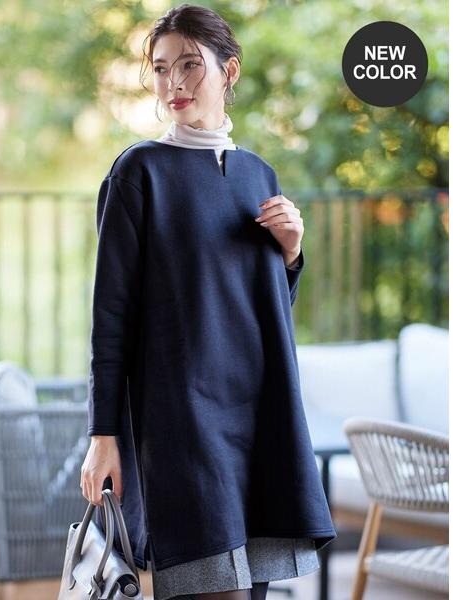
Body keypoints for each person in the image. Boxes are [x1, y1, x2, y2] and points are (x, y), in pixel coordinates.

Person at [80, 5, 337, 600]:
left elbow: (262, 311)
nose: (174, 82)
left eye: (190, 65)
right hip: (182, 422)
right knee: (212, 586)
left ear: (230, 71)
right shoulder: (139, 173)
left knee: (253, 589)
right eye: (161, 68)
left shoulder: (258, 176)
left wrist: (290, 254)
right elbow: (110, 316)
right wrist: (103, 434)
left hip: (260, 415)